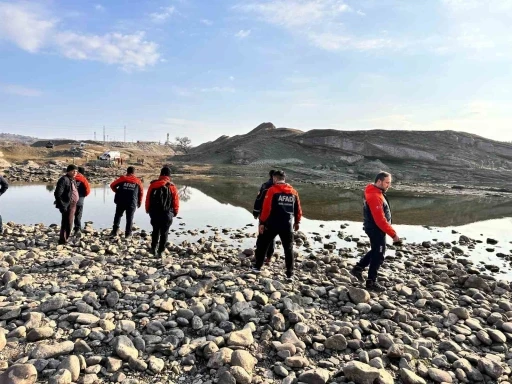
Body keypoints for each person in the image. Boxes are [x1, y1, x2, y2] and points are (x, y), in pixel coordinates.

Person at [350, 171, 400, 292]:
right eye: (387, 182)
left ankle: (358, 268)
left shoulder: (376, 192)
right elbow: (380, 220)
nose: (389, 185)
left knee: (376, 250)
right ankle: (371, 281)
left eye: (389, 183)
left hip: (375, 227)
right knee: (379, 254)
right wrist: (393, 234)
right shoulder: (374, 196)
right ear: (379, 181)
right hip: (376, 228)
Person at [252, 170, 302, 281]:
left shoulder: (272, 190)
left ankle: (257, 267)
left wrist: (262, 223)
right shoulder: (293, 192)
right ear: (284, 179)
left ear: (275, 178)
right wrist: (297, 222)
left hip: (272, 224)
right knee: (288, 249)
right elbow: (298, 209)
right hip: (287, 225)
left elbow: (266, 208)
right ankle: (290, 274)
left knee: (263, 244)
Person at [145, 166, 179, 256]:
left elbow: (148, 198)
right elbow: (175, 201)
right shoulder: (172, 186)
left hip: (154, 212)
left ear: (160, 174)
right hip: (167, 213)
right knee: (164, 232)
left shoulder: (153, 184)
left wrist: (147, 209)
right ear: (169, 175)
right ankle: (161, 251)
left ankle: (153, 249)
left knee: (155, 230)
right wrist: (175, 212)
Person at [110, 166, 144, 238]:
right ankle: (128, 234)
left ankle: (114, 232)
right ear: (134, 173)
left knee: (118, 215)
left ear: (127, 172)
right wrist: (140, 202)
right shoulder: (138, 181)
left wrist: (117, 192)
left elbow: (112, 185)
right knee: (130, 218)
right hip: (132, 202)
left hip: (121, 201)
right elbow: (141, 193)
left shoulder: (123, 179)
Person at [252, 170, 276, 264]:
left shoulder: (265, 186)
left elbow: (259, 200)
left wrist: (255, 212)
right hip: (276, 216)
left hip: (264, 215)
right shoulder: (283, 187)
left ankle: (258, 256)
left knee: (262, 235)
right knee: (272, 237)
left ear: (270, 176)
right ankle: (269, 257)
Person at [54, 165, 79, 245]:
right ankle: (63, 240)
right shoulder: (64, 180)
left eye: (76, 171)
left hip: (73, 204)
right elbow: (57, 194)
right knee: (66, 222)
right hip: (67, 204)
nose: (75, 173)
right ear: (68, 171)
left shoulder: (72, 179)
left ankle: (65, 238)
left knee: (70, 222)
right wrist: (62, 205)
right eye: (73, 171)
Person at [74, 166, 91, 233]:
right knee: (78, 214)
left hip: (70, 199)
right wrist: (84, 195)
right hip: (80, 199)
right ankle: (77, 228)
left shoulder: (71, 178)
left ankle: (67, 229)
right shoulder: (83, 179)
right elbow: (88, 190)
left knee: (70, 214)